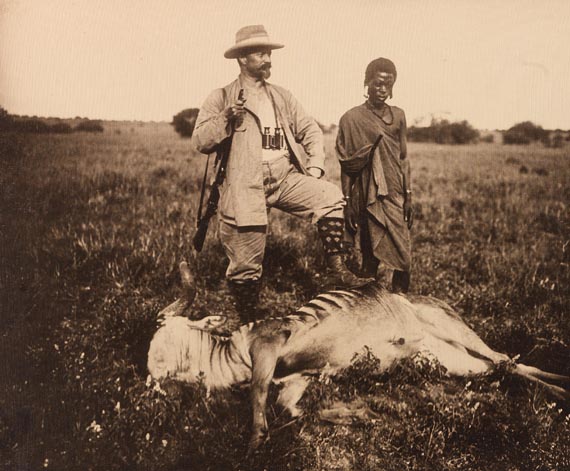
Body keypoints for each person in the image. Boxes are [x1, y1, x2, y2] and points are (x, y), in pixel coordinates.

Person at [193, 25, 369, 323]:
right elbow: (200, 141)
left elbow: (310, 129)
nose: (268, 59)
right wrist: (226, 118)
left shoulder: (281, 96)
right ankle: (249, 321)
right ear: (242, 59)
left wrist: (314, 166)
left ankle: (337, 269)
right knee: (245, 265)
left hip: (284, 175)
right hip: (244, 184)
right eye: (261, 53)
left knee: (329, 196)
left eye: (269, 53)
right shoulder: (221, 97)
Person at [335, 57, 413, 292]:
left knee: (404, 257)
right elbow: (347, 164)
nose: (382, 90)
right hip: (366, 193)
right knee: (369, 256)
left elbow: (403, 158)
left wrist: (408, 195)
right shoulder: (351, 118)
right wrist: (347, 202)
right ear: (367, 83)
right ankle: (367, 304)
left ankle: (401, 302)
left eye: (388, 85)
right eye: (377, 83)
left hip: (395, 192)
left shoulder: (398, 115)